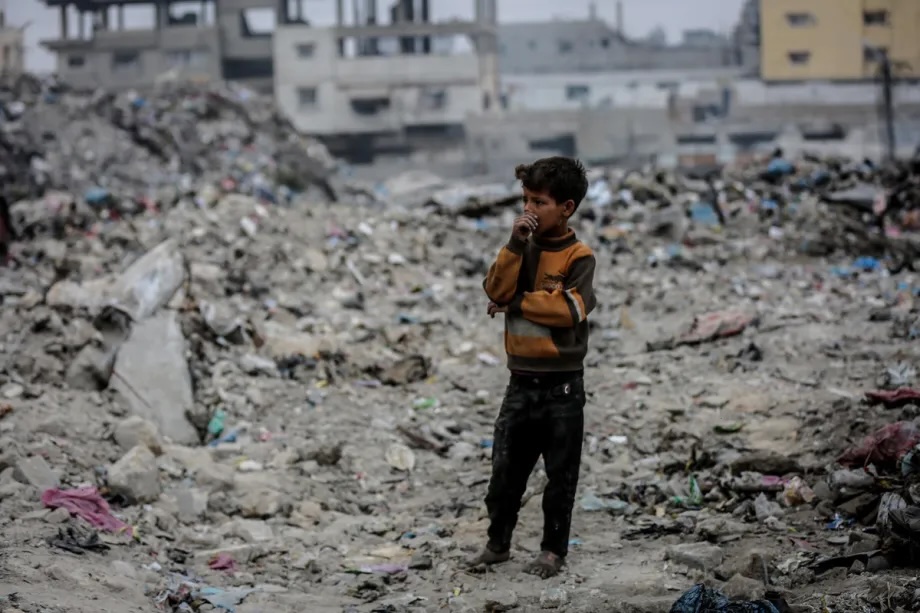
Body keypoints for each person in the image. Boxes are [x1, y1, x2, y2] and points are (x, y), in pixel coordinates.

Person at [469, 156, 596, 578]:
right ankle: (497, 543)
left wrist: (517, 303)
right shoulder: (520, 248)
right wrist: (513, 246)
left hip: (562, 387)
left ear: (567, 207)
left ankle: (552, 551)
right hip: (520, 381)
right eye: (525, 200)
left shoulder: (579, 257)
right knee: (505, 472)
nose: (529, 210)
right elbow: (494, 287)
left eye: (539, 202)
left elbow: (569, 309)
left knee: (560, 478)